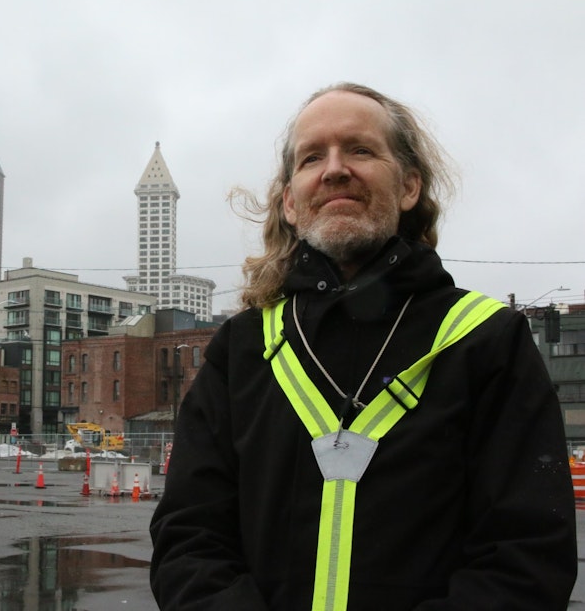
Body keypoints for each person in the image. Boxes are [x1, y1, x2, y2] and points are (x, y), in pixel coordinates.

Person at [150, 82, 577, 610]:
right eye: (312, 157)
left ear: (409, 187)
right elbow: (189, 540)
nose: (334, 169)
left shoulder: (487, 339)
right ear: (289, 201)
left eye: (360, 149)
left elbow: (526, 556)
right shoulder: (241, 349)